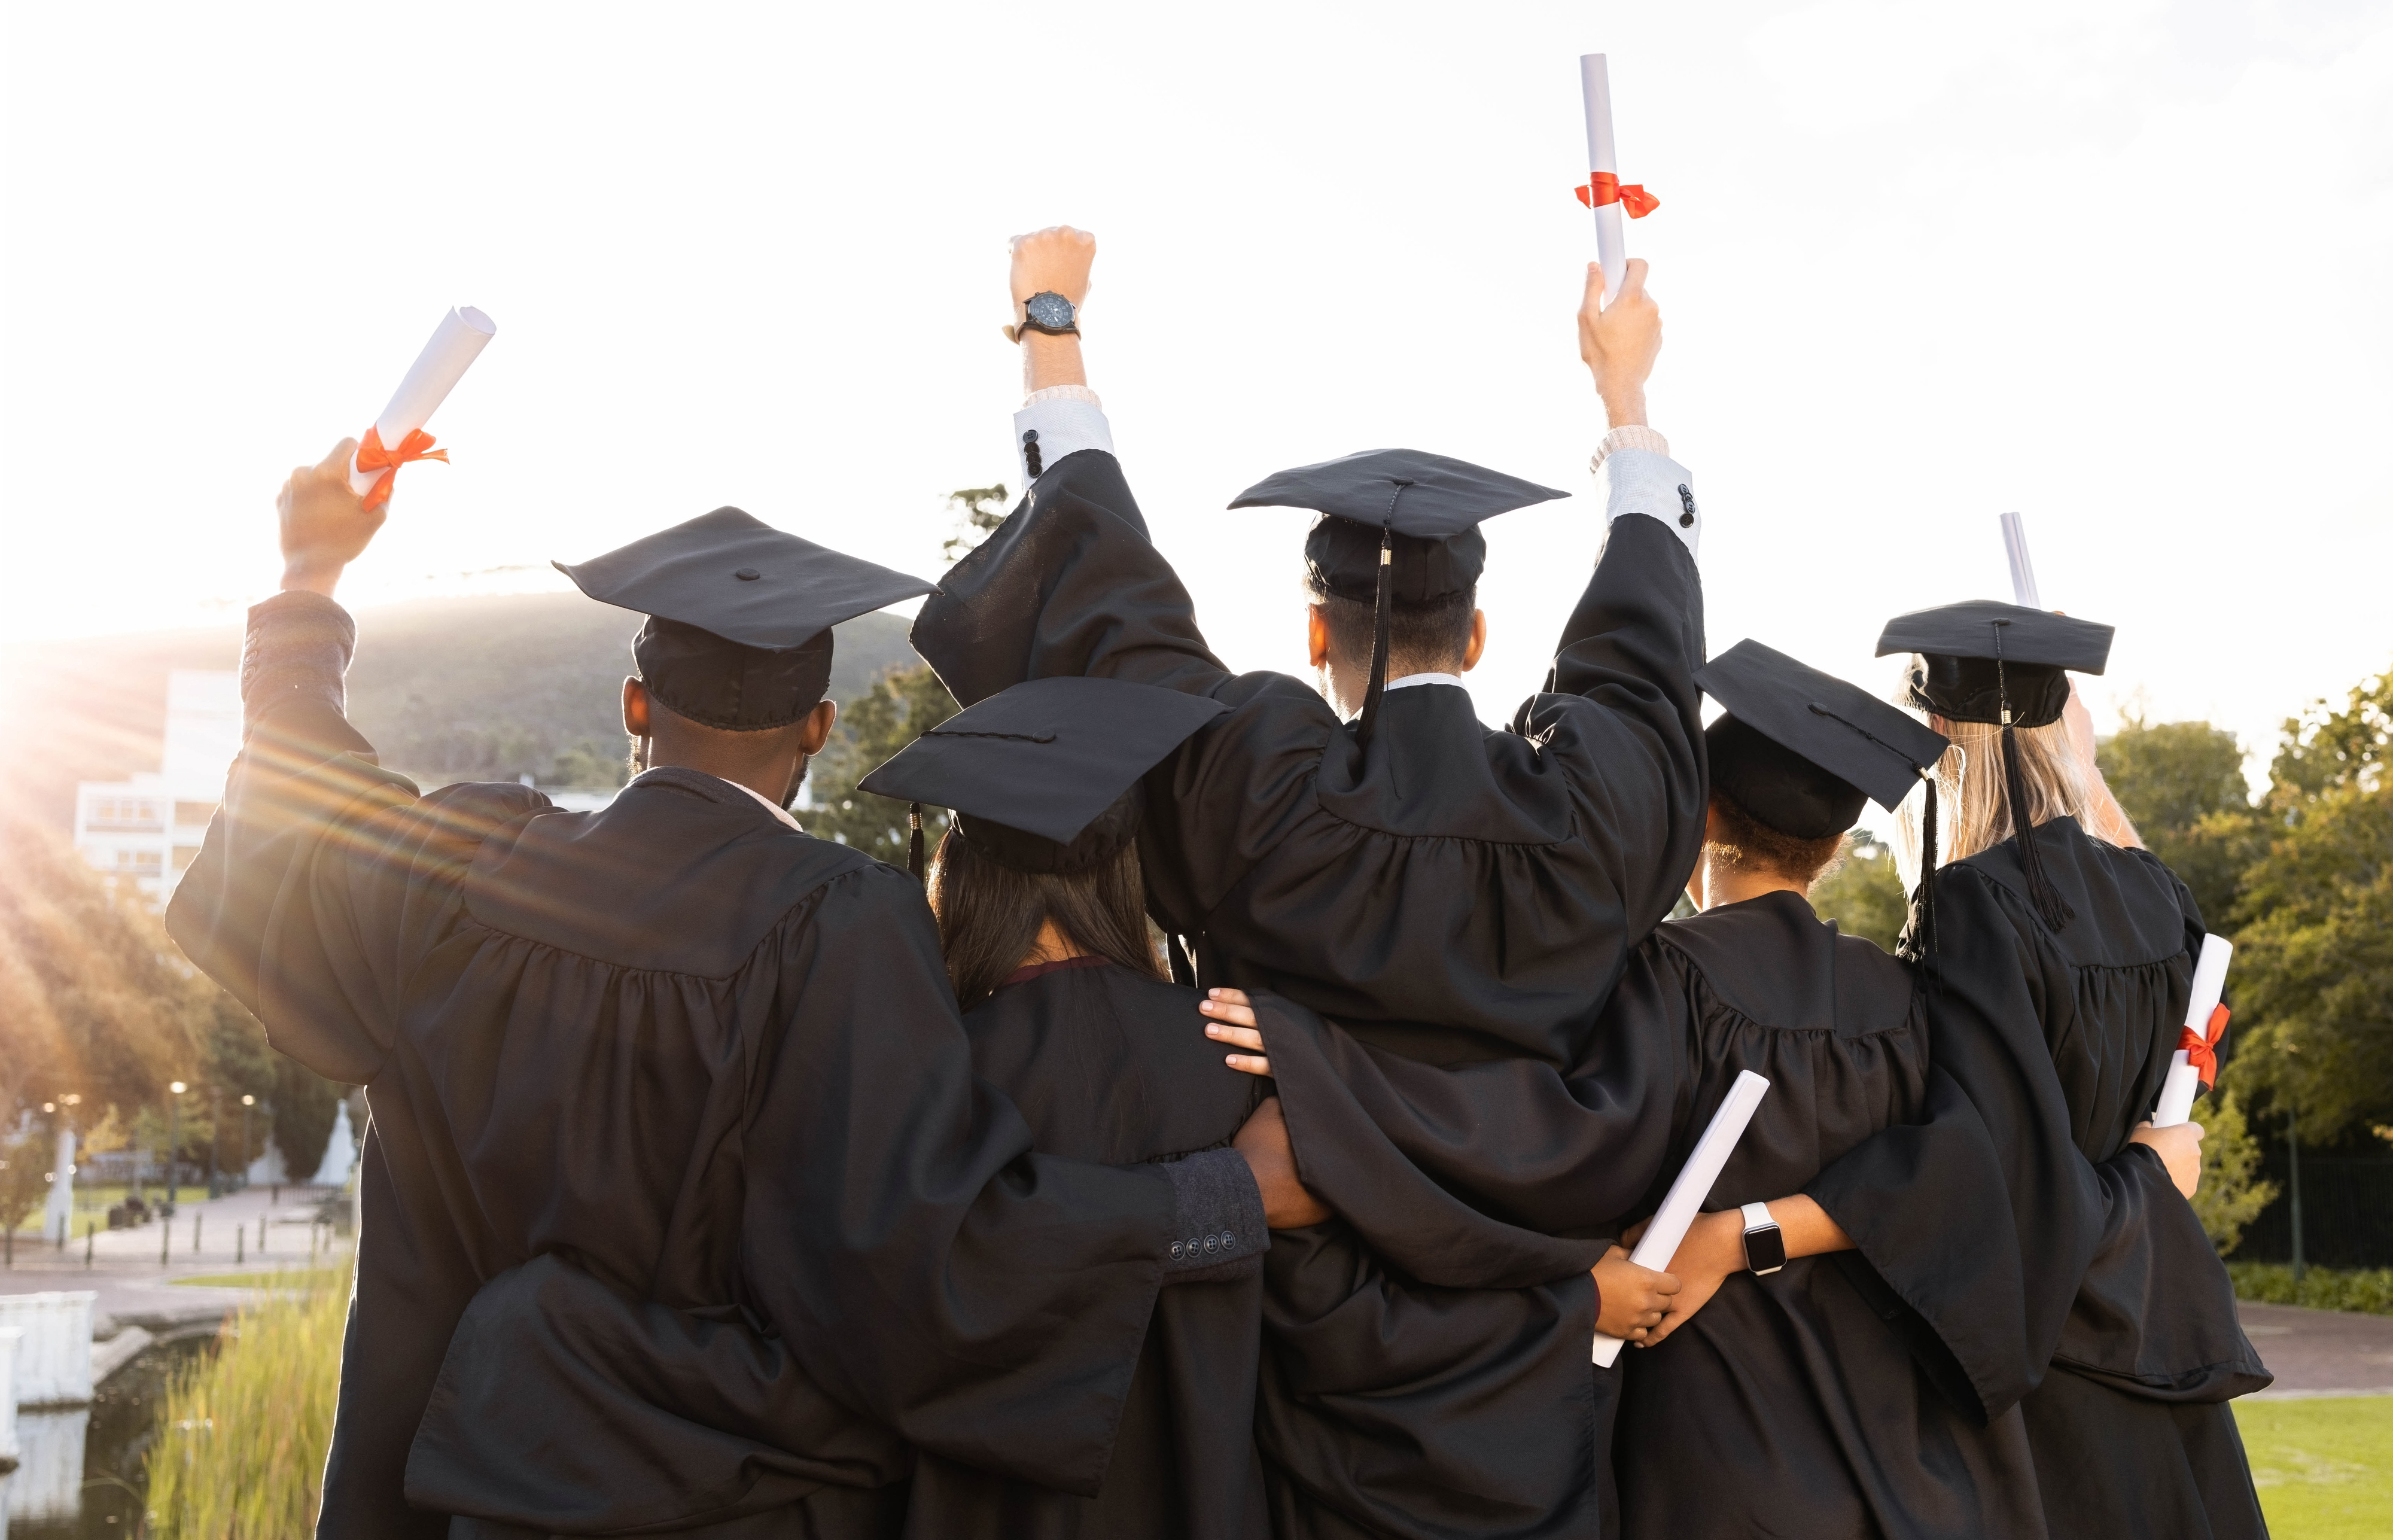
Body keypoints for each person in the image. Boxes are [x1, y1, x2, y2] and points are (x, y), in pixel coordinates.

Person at [164, 453, 1314, 1539]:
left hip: (473, 1485)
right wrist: (1221, 1196)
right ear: (817, 728)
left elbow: (300, 808)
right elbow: (935, 1260)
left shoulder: (460, 870)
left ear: (633, 706)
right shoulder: (843, 925)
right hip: (732, 1507)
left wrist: (307, 582)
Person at [907, 227, 1699, 1538]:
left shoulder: (1255, 785)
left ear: (1314, 628)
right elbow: (1644, 642)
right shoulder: (1593, 808)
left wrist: (1052, 331)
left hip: (1304, 1357)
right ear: (1485, 633)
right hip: (1532, 1382)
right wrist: (1624, 397)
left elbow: (1110, 599)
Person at [1802, 599, 2271, 1539]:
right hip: (2155, 1339)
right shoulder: (2157, 896)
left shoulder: (1970, 906)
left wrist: (1759, 1232)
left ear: (1938, 744)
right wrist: (2076, 764)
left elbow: (1988, 1162)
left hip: (2054, 1364)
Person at [855, 674, 1296, 1538]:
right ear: (1121, 869)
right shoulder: (1237, 1050)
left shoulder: (939, 1072)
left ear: (964, 872)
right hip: (1204, 1495)